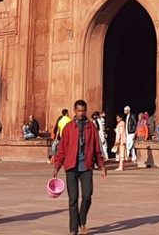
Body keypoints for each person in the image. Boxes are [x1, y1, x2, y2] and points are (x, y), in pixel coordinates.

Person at [52, 99, 107, 235]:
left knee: (87, 195)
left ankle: (82, 220)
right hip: (71, 166)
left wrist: (101, 165)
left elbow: (96, 148)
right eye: (79, 111)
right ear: (74, 111)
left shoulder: (91, 127)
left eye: (83, 111)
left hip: (86, 165)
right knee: (73, 198)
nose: (81, 113)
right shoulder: (69, 128)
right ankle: (73, 229)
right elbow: (62, 149)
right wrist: (57, 166)